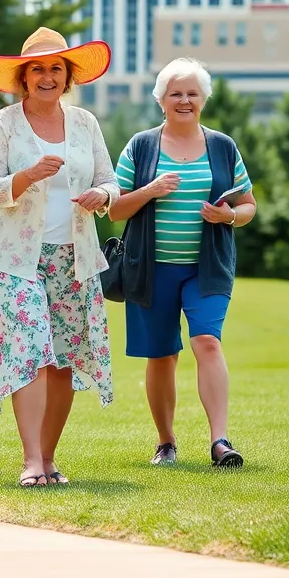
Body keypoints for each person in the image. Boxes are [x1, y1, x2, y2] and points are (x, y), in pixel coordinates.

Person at [0, 27, 117, 488]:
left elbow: (111, 181)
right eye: (38, 68)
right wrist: (27, 175)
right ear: (23, 76)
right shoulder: (3, 124)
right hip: (15, 258)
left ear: (68, 76)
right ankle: (31, 460)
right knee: (32, 352)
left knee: (62, 361)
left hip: (73, 257)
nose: (47, 76)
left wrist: (101, 194)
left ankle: (50, 458)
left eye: (56, 68)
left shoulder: (86, 124)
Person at [108, 57, 256, 469]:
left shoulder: (223, 146)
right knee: (162, 355)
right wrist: (150, 190)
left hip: (206, 267)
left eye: (192, 93)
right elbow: (115, 210)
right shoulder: (141, 146)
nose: (185, 100)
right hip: (150, 269)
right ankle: (166, 442)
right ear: (161, 99)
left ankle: (220, 442)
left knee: (207, 341)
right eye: (176, 93)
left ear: (204, 99)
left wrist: (227, 216)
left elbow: (248, 206)